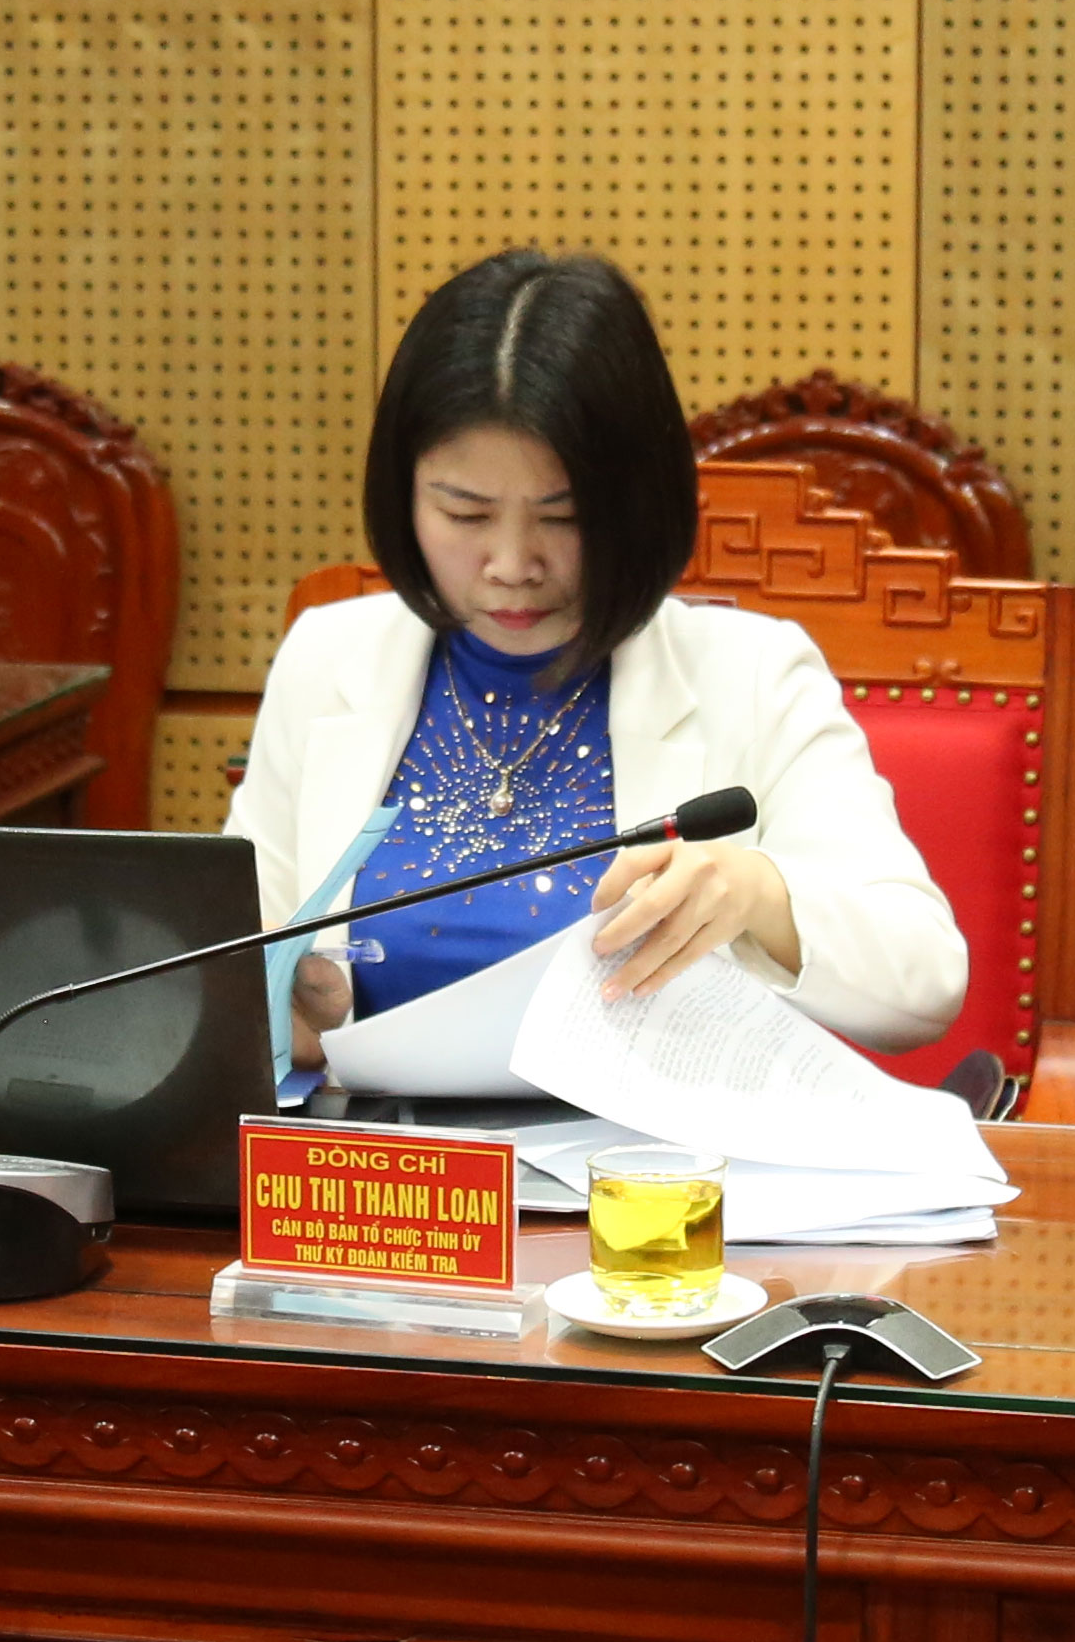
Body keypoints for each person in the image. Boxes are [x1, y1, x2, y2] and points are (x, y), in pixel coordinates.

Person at [229, 249, 964, 1078]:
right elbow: (232, 966)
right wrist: (281, 1013)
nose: (511, 564)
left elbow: (923, 980)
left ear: (637, 503)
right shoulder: (326, 659)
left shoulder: (754, 677)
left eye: (563, 516)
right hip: (375, 1153)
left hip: (650, 1155)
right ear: (403, 494)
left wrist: (759, 893)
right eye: (464, 513)